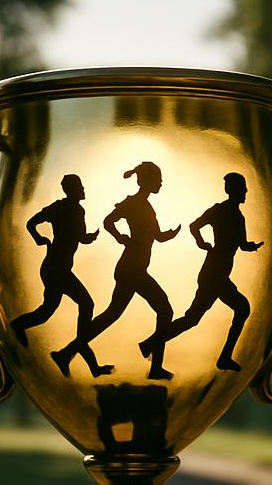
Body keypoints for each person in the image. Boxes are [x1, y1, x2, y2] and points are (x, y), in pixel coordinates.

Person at [51, 161, 180, 380]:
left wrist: (169, 234)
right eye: (158, 179)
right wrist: (120, 237)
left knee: (112, 314)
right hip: (131, 269)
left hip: (135, 268)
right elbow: (108, 221)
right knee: (164, 310)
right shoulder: (133, 203)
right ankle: (154, 362)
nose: (160, 183)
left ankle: (66, 352)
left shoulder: (146, 206)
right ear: (148, 181)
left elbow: (156, 236)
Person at [140, 172, 262, 372]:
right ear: (234, 190)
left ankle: (150, 343)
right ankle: (222, 357)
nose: (246, 191)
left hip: (220, 274)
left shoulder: (239, 217)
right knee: (238, 309)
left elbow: (241, 244)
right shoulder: (219, 211)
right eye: (243, 188)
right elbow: (194, 226)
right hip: (213, 274)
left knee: (194, 318)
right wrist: (202, 242)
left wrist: (251, 246)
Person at [10, 174, 112, 377]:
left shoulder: (77, 210)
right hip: (56, 269)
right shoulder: (59, 208)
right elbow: (31, 223)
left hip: (59, 268)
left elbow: (79, 238)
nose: (83, 190)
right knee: (86, 304)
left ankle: (25, 328)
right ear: (71, 190)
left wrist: (89, 237)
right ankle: (78, 358)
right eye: (80, 186)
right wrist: (39, 238)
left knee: (47, 311)